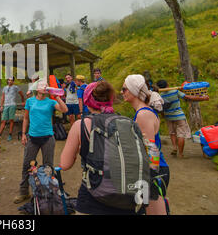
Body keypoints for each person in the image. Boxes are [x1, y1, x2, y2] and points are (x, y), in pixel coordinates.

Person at [59, 81, 143, 215]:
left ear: (87, 100)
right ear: (111, 100)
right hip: (128, 196)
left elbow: (64, 164)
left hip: (92, 197)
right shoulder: (128, 122)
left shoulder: (81, 124)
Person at [14, 81, 68, 204]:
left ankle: (48, 191)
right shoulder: (30, 101)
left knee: (48, 166)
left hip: (48, 138)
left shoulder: (51, 102)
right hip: (32, 137)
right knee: (27, 165)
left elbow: (64, 110)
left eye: (46, 85)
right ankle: (24, 192)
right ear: (36, 88)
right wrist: (23, 134)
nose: (44, 86)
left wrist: (56, 96)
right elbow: (26, 118)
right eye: (42, 85)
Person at [122, 75, 169, 215]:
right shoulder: (142, 112)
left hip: (154, 172)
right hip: (152, 171)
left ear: (134, 91)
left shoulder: (143, 114)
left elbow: (151, 149)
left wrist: (151, 175)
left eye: (124, 89)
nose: (122, 92)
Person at [157, 79, 209, 158]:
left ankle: (174, 148)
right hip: (179, 116)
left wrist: (163, 115)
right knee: (181, 134)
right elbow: (187, 97)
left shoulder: (160, 95)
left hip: (168, 116)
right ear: (167, 84)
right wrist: (203, 98)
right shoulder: (174, 91)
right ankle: (181, 154)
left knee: (172, 133)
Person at [0, 77, 25, 141]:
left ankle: (10, 134)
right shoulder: (5, 88)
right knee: (3, 120)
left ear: (13, 81)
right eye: (9, 80)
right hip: (6, 105)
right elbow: (3, 97)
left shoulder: (15, 87)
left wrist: (23, 101)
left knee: (11, 120)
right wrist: (1, 106)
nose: (10, 81)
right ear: (7, 81)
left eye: (11, 80)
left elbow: (22, 95)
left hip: (12, 105)